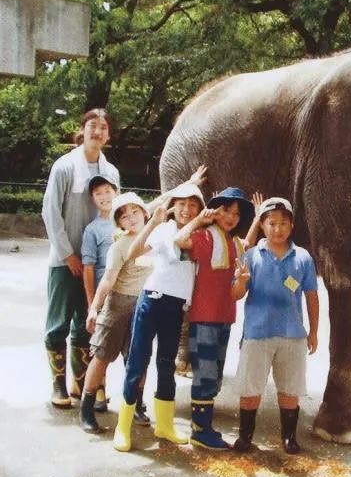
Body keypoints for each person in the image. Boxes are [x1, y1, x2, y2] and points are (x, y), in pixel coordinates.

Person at [79, 167, 207, 434]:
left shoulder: (158, 232)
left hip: (146, 304)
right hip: (119, 305)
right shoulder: (122, 245)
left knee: (138, 359)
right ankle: (87, 406)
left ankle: (137, 404)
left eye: (135, 212)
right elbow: (108, 279)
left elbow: (167, 201)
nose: (131, 217)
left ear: (144, 212)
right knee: (103, 356)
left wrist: (190, 182)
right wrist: (95, 308)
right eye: (124, 216)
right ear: (120, 223)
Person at [112, 183, 205, 452]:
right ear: (174, 206)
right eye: (182, 204)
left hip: (176, 307)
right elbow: (131, 254)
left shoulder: (201, 235)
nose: (187, 210)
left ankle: (164, 425)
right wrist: (152, 223)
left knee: (167, 364)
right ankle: (123, 426)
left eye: (193, 205)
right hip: (152, 299)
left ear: (199, 208)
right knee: (137, 362)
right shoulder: (164, 229)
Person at [42, 108, 119, 409]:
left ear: (108, 135)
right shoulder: (64, 167)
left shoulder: (111, 173)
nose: (97, 132)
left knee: (87, 324)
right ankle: (58, 384)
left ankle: (82, 382)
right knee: (58, 324)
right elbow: (50, 213)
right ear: (82, 130)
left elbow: (116, 215)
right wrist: (68, 254)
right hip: (65, 262)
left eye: (103, 127)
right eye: (92, 126)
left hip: (98, 265)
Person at [231, 197, 319, 455]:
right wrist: (240, 281)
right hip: (257, 334)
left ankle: (289, 438)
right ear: (262, 224)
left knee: (290, 391)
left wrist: (313, 331)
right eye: (271, 223)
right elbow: (236, 295)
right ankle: (245, 437)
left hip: (293, 335)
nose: (277, 229)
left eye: (283, 223)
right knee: (250, 389)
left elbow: (312, 296)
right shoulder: (251, 256)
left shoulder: (303, 257)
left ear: (291, 226)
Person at [174, 187, 260, 449]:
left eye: (236, 213)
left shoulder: (232, 242)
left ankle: (204, 426)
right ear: (215, 211)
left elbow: (248, 245)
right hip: (204, 316)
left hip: (224, 316)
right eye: (225, 210)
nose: (231, 217)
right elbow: (179, 241)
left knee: (216, 372)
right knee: (205, 372)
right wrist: (199, 220)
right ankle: (199, 431)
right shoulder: (205, 237)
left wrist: (256, 218)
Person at [80, 174, 119, 412]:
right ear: (93, 200)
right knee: (101, 348)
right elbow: (88, 268)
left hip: (130, 292)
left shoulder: (128, 218)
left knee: (132, 348)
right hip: (105, 296)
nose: (104, 197)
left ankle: (135, 402)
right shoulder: (92, 230)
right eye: (98, 194)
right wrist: (91, 304)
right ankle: (98, 392)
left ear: (116, 190)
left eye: (107, 191)